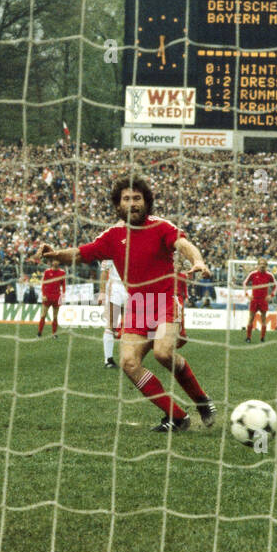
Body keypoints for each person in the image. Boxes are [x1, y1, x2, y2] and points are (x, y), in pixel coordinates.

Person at [39, 176, 215, 432]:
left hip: (166, 300)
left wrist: (197, 261)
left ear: (146, 202)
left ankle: (201, 399)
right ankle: (177, 417)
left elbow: (184, 245)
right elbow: (80, 253)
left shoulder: (161, 227)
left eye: (137, 198)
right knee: (129, 363)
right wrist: (55, 255)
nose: (132, 203)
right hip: (137, 306)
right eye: (126, 199)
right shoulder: (113, 236)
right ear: (118, 205)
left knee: (163, 353)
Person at [99, 257, 127, 368]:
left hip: (131, 287)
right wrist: (102, 292)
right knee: (111, 324)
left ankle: (127, 358)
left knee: (129, 326)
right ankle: (108, 359)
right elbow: (104, 272)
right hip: (115, 287)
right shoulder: (113, 244)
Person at [244, 257, 275, 343]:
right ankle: (248, 337)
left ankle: (262, 338)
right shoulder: (253, 274)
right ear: (257, 265)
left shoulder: (269, 275)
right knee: (251, 318)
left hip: (263, 300)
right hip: (254, 300)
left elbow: (275, 286)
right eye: (260, 264)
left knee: (264, 319)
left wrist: (271, 295)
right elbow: (245, 283)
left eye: (264, 265)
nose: (262, 266)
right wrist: (247, 294)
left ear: (266, 266)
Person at [38, 264, 65, 336]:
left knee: (55, 316)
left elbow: (63, 284)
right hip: (47, 297)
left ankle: (54, 333)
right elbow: (43, 284)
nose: (56, 262)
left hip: (57, 297)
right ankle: (39, 333)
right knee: (43, 315)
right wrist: (43, 294)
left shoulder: (62, 272)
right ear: (52, 262)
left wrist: (63, 295)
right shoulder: (47, 272)